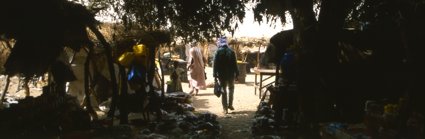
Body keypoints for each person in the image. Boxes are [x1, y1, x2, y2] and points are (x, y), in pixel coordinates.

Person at [213, 36, 239, 114]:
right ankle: (230, 105)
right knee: (231, 89)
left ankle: (225, 108)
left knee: (223, 90)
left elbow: (215, 64)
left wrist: (215, 75)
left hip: (221, 75)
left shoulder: (218, 52)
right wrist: (237, 74)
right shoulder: (232, 51)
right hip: (231, 74)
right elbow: (235, 64)